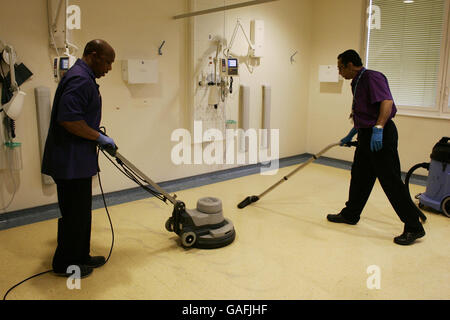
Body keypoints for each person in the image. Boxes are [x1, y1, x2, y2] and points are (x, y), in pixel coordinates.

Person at [327, 49, 425, 245]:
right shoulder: (356, 82)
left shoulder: (372, 77)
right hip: (366, 134)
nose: (339, 72)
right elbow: (363, 112)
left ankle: (414, 226)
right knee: (360, 177)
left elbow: (386, 102)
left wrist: (379, 128)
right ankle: (351, 214)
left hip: (381, 134)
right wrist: (353, 133)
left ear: (350, 65)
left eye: (340, 67)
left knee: (390, 181)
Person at [42, 39, 116, 277]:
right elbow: (69, 119)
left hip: (78, 160)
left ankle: (80, 256)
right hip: (69, 162)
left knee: (82, 212)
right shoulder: (80, 79)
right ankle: (65, 264)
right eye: (107, 62)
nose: (109, 68)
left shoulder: (83, 76)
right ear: (92, 55)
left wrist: (95, 136)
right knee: (74, 214)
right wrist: (98, 137)